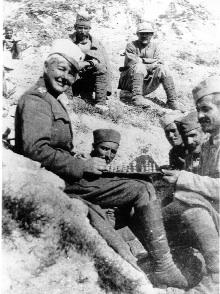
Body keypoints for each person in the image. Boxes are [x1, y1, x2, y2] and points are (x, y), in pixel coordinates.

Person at [14, 40, 188, 289]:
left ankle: (157, 260)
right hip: (54, 180)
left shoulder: (50, 99)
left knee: (140, 185)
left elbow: (54, 149)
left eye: (72, 72)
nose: (66, 77)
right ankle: (164, 266)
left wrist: (80, 161)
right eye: (61, 69)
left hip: (63, 174)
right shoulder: (36, 100)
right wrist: (81, 165)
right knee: (142, 189)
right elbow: (36, 150)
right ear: (46, 65)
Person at [162, 76, 220, 293]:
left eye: (206, 109)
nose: (202, 115)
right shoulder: (209, 145)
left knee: (190, 202)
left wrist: (183, 179)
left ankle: (216, 278)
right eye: (199, 110)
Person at [118, 21, 181, 110]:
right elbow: (135, 62)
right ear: (137, 34)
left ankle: (172, 101)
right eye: (142, 33)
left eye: (148, 33)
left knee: (163, 69)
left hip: (146, 83)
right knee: (139, 66)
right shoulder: (131, 45)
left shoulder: (155, 47)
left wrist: (143, 61)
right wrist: (152, 63)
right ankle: (137, 98)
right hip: (129, 82)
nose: (145, 36)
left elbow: (160, 63)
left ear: (152, 35)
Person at [69, 11, 112, 111]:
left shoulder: (96, 44)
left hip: (90, 80)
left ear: (89, 29)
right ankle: (68, 98)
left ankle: (100, 103)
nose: (83, 31)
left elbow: (106, 65)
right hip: (72, 78)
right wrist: (88, 62)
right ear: (75, 27)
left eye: (86, 28)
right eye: (80, 28)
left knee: (100, 67)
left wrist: (107, 89)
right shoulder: (68, 41)